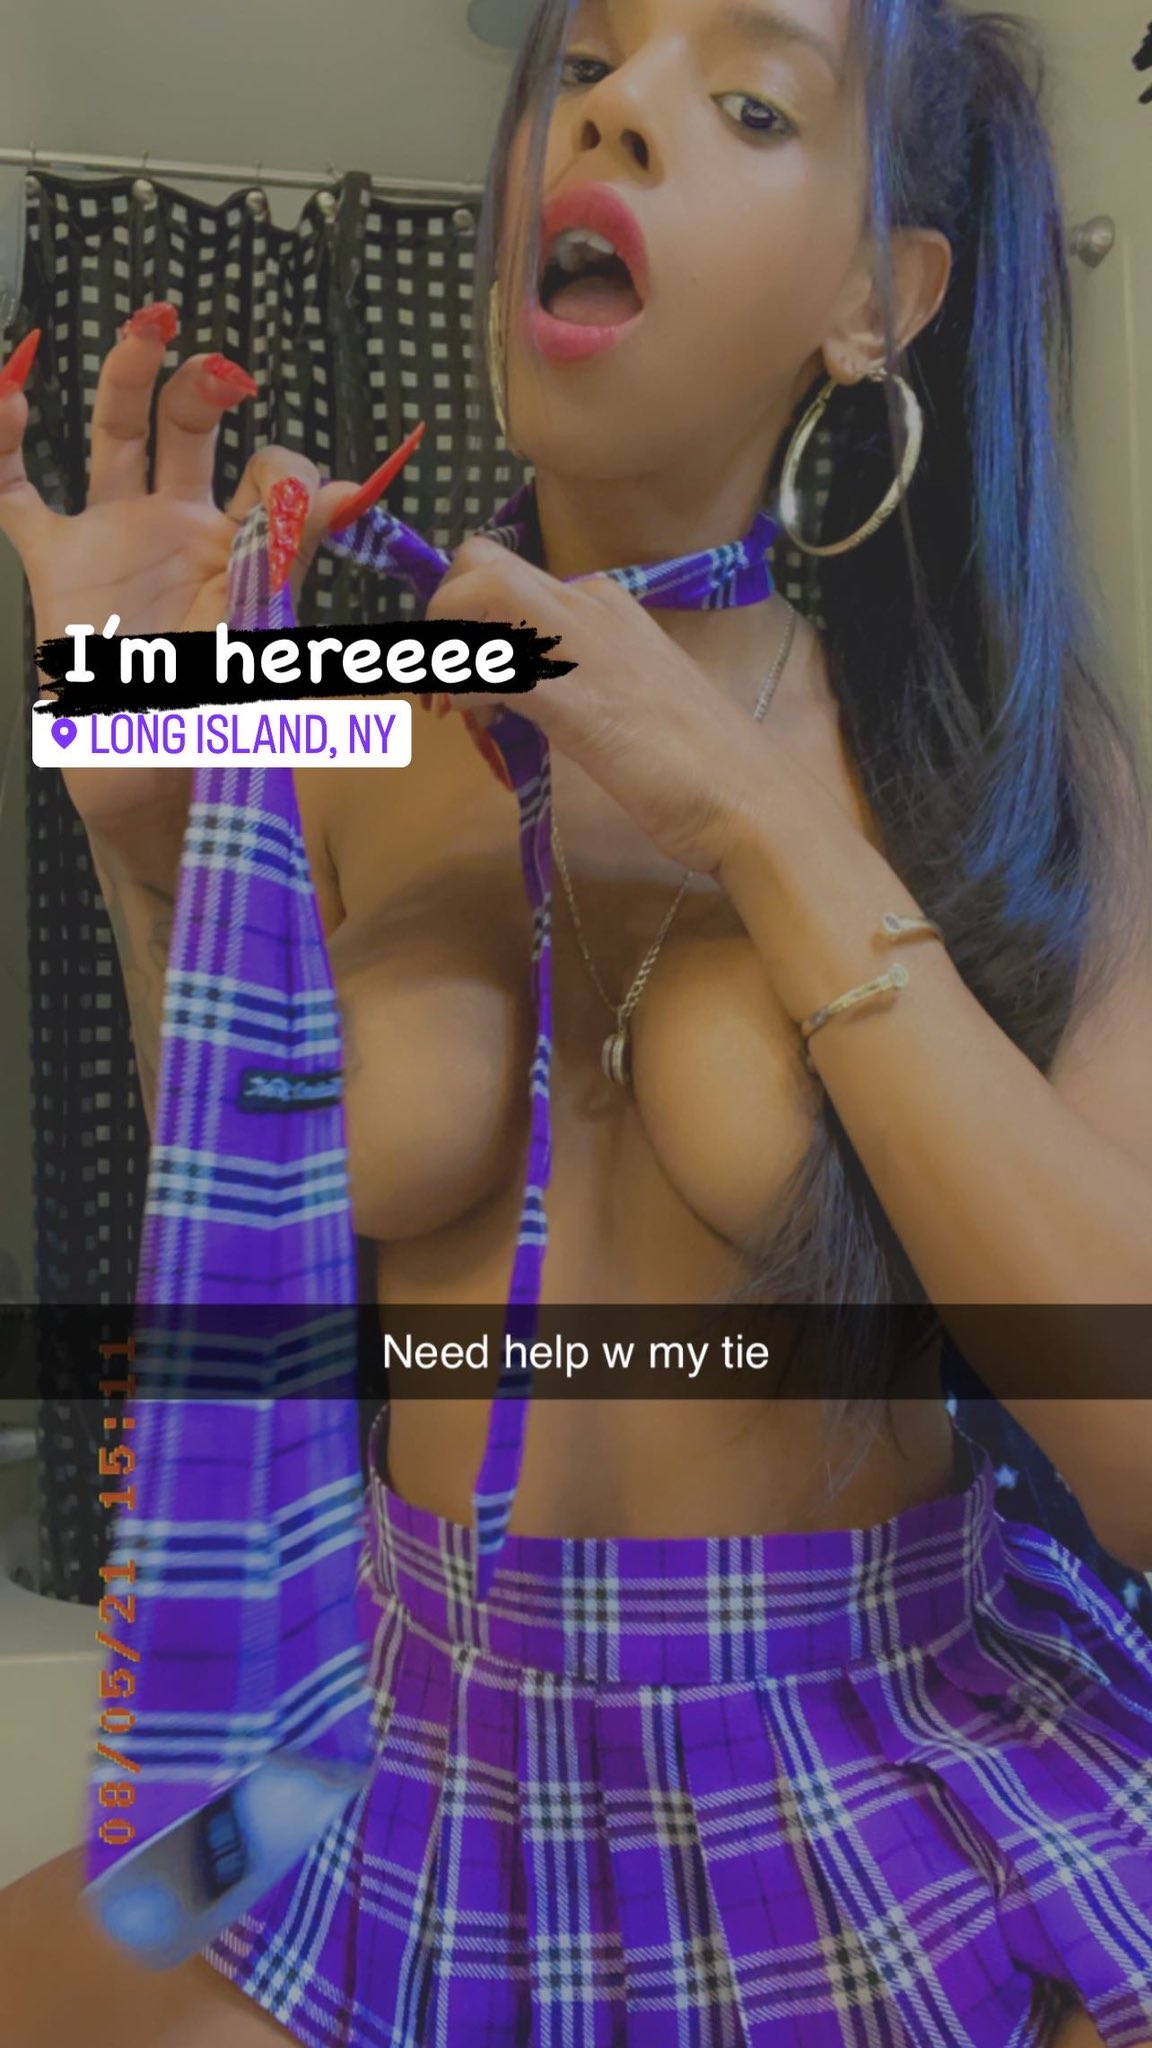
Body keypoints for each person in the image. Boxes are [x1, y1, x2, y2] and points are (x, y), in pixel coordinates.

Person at [3, 0, 1152, 2041]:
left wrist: (749, 813)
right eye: (589, 60)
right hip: (370, 1726)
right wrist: (151, 839)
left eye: (747, 100)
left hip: (894, 1734)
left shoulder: (1006, 767)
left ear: (879, 303)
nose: (611, 109)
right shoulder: (336, 715)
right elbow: (254, 1238)